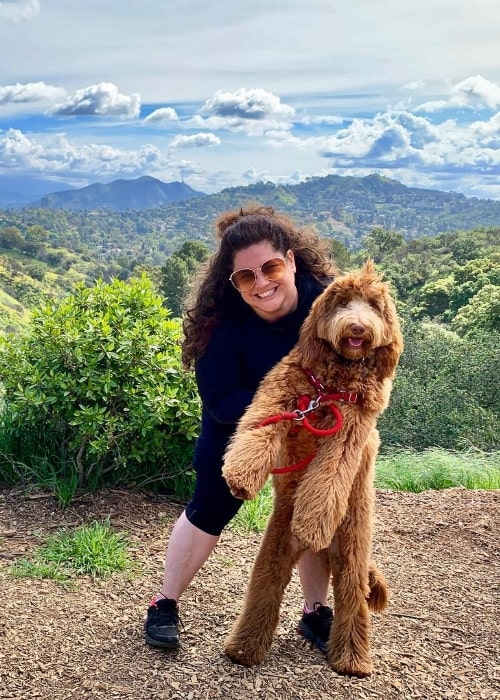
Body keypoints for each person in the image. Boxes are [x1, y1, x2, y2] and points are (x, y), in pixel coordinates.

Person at [145, 205, 338, 653]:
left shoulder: (328, 303)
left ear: (290, 260)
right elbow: (219, 401)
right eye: (246, 277)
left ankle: (315, 612)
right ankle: (165, 603)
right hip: (239, 423)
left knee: (309, 509)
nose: (262, 283)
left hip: (316, 423)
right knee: (209, 506)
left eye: (270, 267)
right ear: (233, 283)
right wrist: (284, 410)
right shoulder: (222, 325)